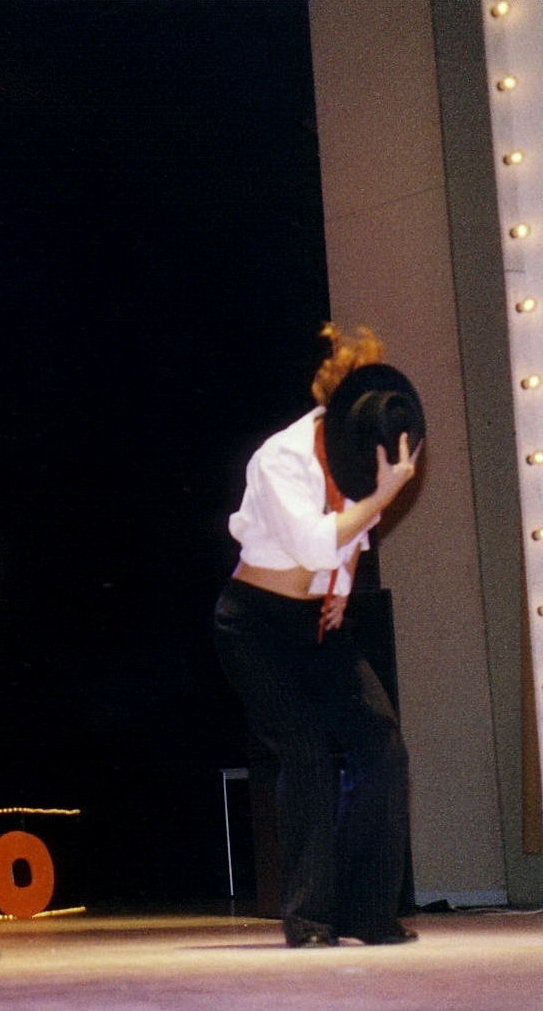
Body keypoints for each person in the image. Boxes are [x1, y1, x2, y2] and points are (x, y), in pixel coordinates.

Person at [212, 324, 423, 948]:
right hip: (254, 624)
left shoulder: (359, 455)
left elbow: (352, 540)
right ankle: (308, 918)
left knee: (381, 746)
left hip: (317, 623)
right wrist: (383, 496)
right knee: (304, 752)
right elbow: (311, 541)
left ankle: (366, 911)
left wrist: (339, 590)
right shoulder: (282, 456)